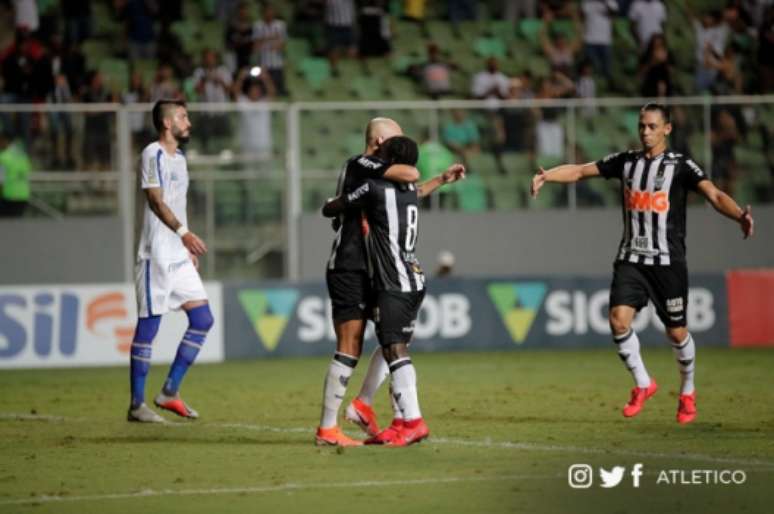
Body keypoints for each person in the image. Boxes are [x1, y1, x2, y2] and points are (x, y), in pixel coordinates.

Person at [530, 103, 754, 424]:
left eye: (652, 126)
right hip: (631, 258)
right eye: (642, 126)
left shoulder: (681, 166)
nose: (645, 132)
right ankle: (643, 383)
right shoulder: (627, 162)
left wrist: (739, 216)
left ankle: (687, 392)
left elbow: (715, 195)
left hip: (667, 263)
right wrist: (547, 176)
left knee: (676, 333)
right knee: (618, 321)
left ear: (667, 129)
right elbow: (581, 170)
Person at [315, 118, 464, 446]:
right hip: (349, 265)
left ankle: (366, 406)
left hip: (374, 268)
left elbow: (408, 192)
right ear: (379, 140)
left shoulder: (381, 179)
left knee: (392, 341)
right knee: (351, 345)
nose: (399, 147)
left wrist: (440, 179)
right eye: (395, 140)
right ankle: (328, 427)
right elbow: (409, 175)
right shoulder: (360, 163)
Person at [322, 136, 432, 446]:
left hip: (392, 280)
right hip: (414, 276)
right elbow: (417, 184)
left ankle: (413, 420)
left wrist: (331, 203)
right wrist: (441, 179)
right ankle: (393, 418)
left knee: (395, 349)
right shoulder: (409, 191)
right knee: (391, 347)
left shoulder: (373, 186)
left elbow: (333, 207)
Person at [127, 100, 213, 423]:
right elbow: (155, 201)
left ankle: (169, 392)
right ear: (166, 123)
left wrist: (186, 247)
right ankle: (137, 405)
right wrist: (184, 233)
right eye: (182, 116)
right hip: (156, 255)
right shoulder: (153, 154)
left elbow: (179, 203)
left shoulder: (181, 159)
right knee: (149, 328)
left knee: (203, 319)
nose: (187, 122)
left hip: (178, 254)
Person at [252, 3, 287, 96]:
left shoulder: (280, 25)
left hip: (277, 63)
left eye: (271, 11)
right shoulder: (257, 25)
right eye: (267, 11)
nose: (269, 13)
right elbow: (256, 45)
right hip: (263, 63)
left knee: (277, 88)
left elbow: (282, 44)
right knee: (263, 88)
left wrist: (267, 42)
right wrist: (271, 38)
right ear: (263, 13)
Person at [0, 129, 31, 217]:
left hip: (8, 196)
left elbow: (0, 180)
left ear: (5, 140)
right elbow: (27, 171)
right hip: (23, 195)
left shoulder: (3, 157)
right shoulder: (22, 155)